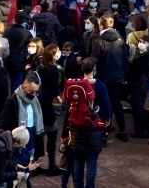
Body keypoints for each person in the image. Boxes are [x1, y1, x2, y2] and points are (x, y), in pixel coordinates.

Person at [63, 57, 111, 188]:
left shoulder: (75, 85)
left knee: (78, 162)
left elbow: (68, 108)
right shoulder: (100, 86)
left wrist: (64, 133)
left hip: (76, 128)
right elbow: (106, 109)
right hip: (93, 129)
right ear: (94, 69)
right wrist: (105, 123)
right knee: (92, 162)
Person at [92, 13, 128, 140]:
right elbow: (125, 58)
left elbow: (95, 60)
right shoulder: (120, 39)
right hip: (117, 76)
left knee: (103, 105)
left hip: (103, 77)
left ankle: (104, 132)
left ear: (101, 25)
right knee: (117, 103)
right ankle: (122, 130)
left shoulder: (99, 41)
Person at [0, 72, 44, 170]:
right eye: (32, 91)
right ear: (25, 84)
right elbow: (3, 125)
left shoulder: (35, 101)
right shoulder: (12, 101)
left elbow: (37, 125)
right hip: (17, 143)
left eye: (36, 92)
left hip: (31, 141)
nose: (34, 94)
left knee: (27, 171)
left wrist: (40, 151)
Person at [35, 44, 64, 175]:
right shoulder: (54, 70)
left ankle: (35, 166)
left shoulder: (40, 68)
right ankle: (52, 166)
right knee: (52, 136)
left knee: (38, 137)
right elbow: (55, 89)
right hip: (48, 107)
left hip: (38, 105)